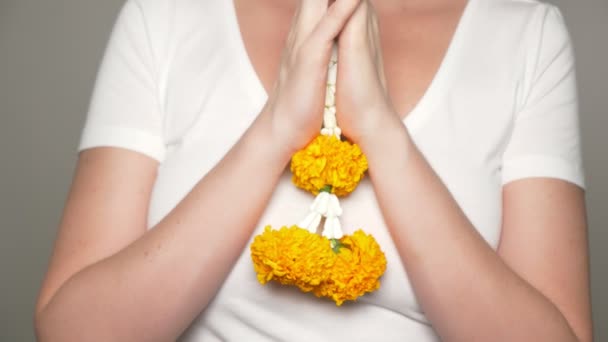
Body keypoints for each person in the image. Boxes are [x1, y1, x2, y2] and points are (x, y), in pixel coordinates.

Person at [34, 0, 593, 340]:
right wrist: (276, 129)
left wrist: (380, 129)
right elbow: (72, 331)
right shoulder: (162, 21)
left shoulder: (527, 36)